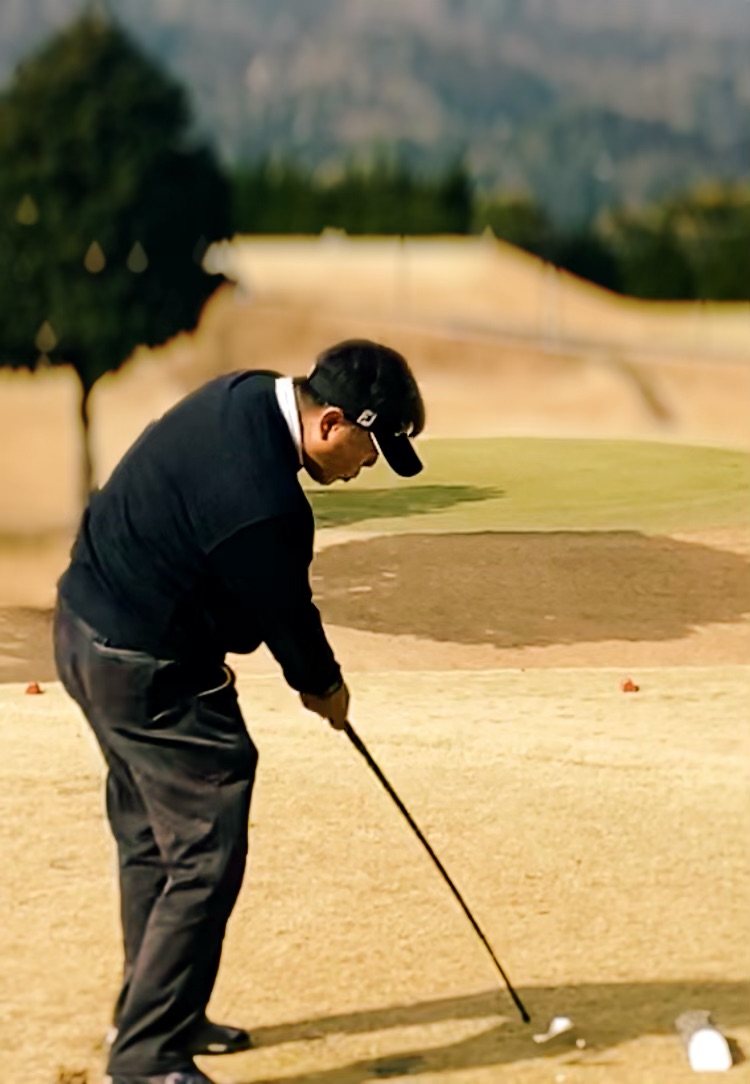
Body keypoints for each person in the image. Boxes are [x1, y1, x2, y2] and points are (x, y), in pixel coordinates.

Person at [53, 338, 425, 1084]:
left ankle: (155, 1014)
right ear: (330, 423)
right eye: (370, 448)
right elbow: (284, 620)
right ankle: (148, 1055)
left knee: (153, 841)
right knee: (204, 840)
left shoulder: (244, 394)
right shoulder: (267, 505)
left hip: (84, 631)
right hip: (145, 666)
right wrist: (325, 687)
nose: (369, 466)